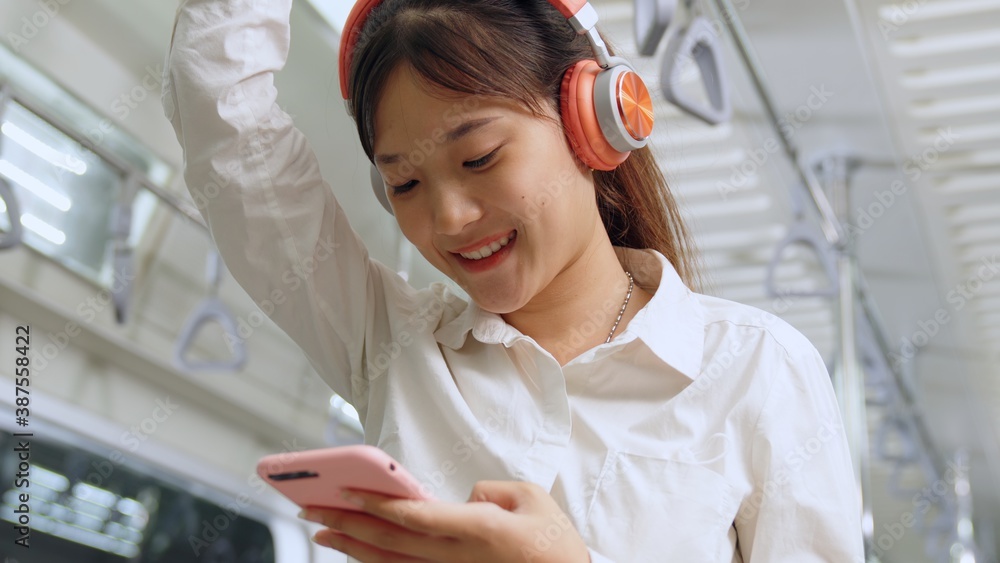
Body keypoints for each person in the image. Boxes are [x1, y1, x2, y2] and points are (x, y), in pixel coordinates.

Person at [161, 0, 865, 561]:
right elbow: (218, 109)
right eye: (404, 182)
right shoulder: (391, 345)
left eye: (480, 158)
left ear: (593, 123)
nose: (448, 217)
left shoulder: (756, 371)